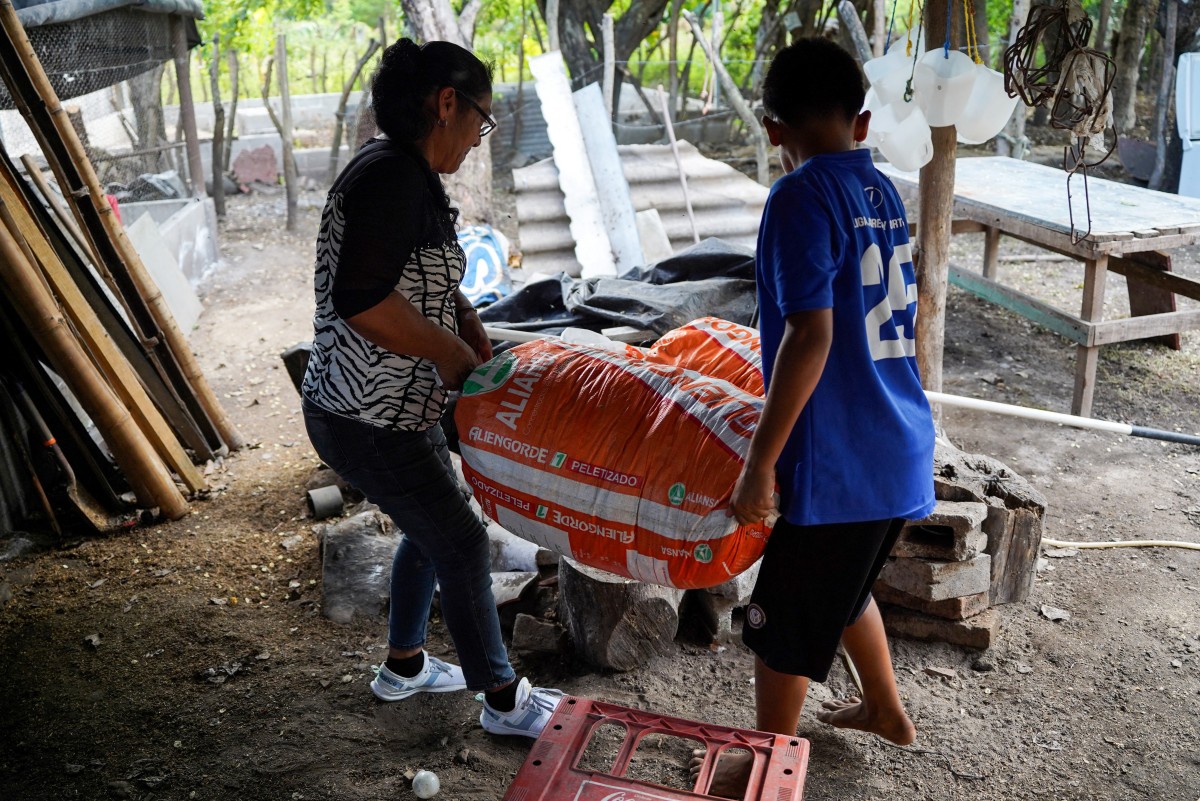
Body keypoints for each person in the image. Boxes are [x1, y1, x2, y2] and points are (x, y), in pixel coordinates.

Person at [300, 38, 561, 738]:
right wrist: (447, 349)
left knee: (430, 525)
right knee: (462, 540)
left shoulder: (403, 173)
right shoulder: (392, 177)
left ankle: (406, 665)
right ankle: (504, 699)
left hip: (384, 408)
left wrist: (466, 316)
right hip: (365, 416)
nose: (480, 139)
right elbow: (362, 296)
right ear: (447, 103)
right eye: (482, 119)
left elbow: (417, 276)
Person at [700, 36, 937, 795]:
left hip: (843, 461)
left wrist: (759, 462)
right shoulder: (881, 191)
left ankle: (765, 765)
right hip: (894, 444)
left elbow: (811, 333)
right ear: (861, 124)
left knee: (785, 620)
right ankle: (885, 708)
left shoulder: (798, 197)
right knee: (842, 587)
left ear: (772, 130)